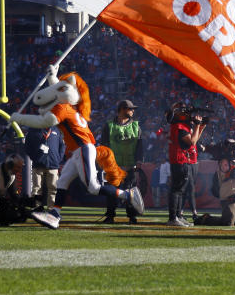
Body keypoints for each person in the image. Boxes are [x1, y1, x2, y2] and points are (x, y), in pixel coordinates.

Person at [10, 67, 144, 227]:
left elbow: (44, 122)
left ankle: (127, 195)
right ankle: (54, 215)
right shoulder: (69, 107)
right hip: (79, 151)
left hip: (83, 148)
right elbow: (58, 91)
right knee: (62, 182)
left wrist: (19, 118)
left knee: (93, 187)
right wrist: (52, 77)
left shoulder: (61, 108)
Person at [100, 98, 144, 224]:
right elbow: (104, 146)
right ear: (122, 110)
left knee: (131, 192)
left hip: (130, 166)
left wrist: (139, 163)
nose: (132, 111)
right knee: (112, 193)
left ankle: (132, 216)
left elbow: (140, 147)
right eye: (130, 109)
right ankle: (110, 216)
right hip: (114, 167)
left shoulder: (136, 126)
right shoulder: (108, 126)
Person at [194, 139, 235, 226]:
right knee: (227, 223)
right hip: (229, 197)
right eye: (234, 146)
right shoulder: (224, 161)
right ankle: (206, 219)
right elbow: (234, 174)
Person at [166, 101, 206, 227]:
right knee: (177, 190)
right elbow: (192, 142)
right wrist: (198, 125)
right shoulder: (180, 127)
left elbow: (194, 140)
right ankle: (173, 217)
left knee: (180, 190)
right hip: (180, 160)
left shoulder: (181, 126)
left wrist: (201, 127)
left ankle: (178, 216)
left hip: (182, 160)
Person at [25, 124, 63, 209]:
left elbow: (62, 146)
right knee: (36, 188)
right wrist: (34, 157)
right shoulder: (33, 129)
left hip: (53, 164)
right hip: (38, 164)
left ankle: (51, 209)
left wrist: (58, 158)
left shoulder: (57, 130)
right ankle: (36, 208)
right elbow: (27, 146)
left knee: (53, 188)